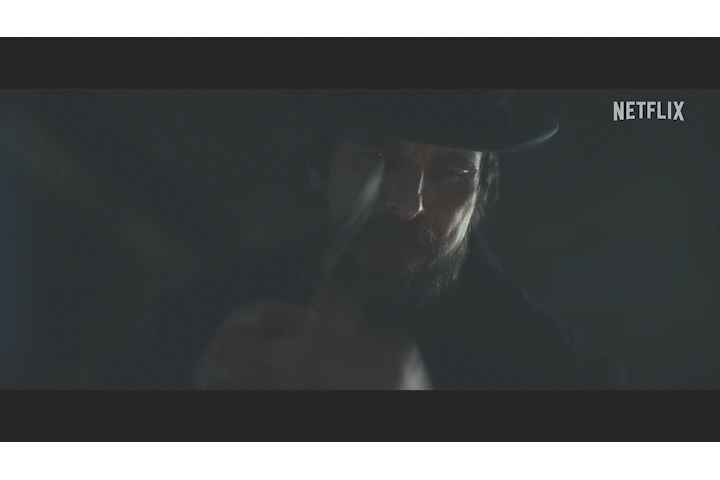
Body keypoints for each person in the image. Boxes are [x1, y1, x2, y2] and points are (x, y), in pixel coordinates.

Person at [190, 90, 627, 390]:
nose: (408, 203)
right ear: (318, 165)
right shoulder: (211, 315)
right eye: (376, 156)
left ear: (481, 194)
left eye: (450, 171)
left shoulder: (553, 373)